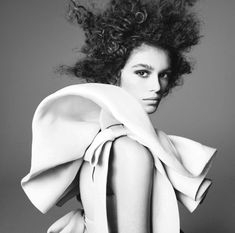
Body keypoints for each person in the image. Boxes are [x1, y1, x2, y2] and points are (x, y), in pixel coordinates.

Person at [21, 0, 217, 233]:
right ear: (115, 73)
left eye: (163, 74)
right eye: (142, 72)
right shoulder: (130, 151)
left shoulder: (99, 139)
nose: (156, 86)